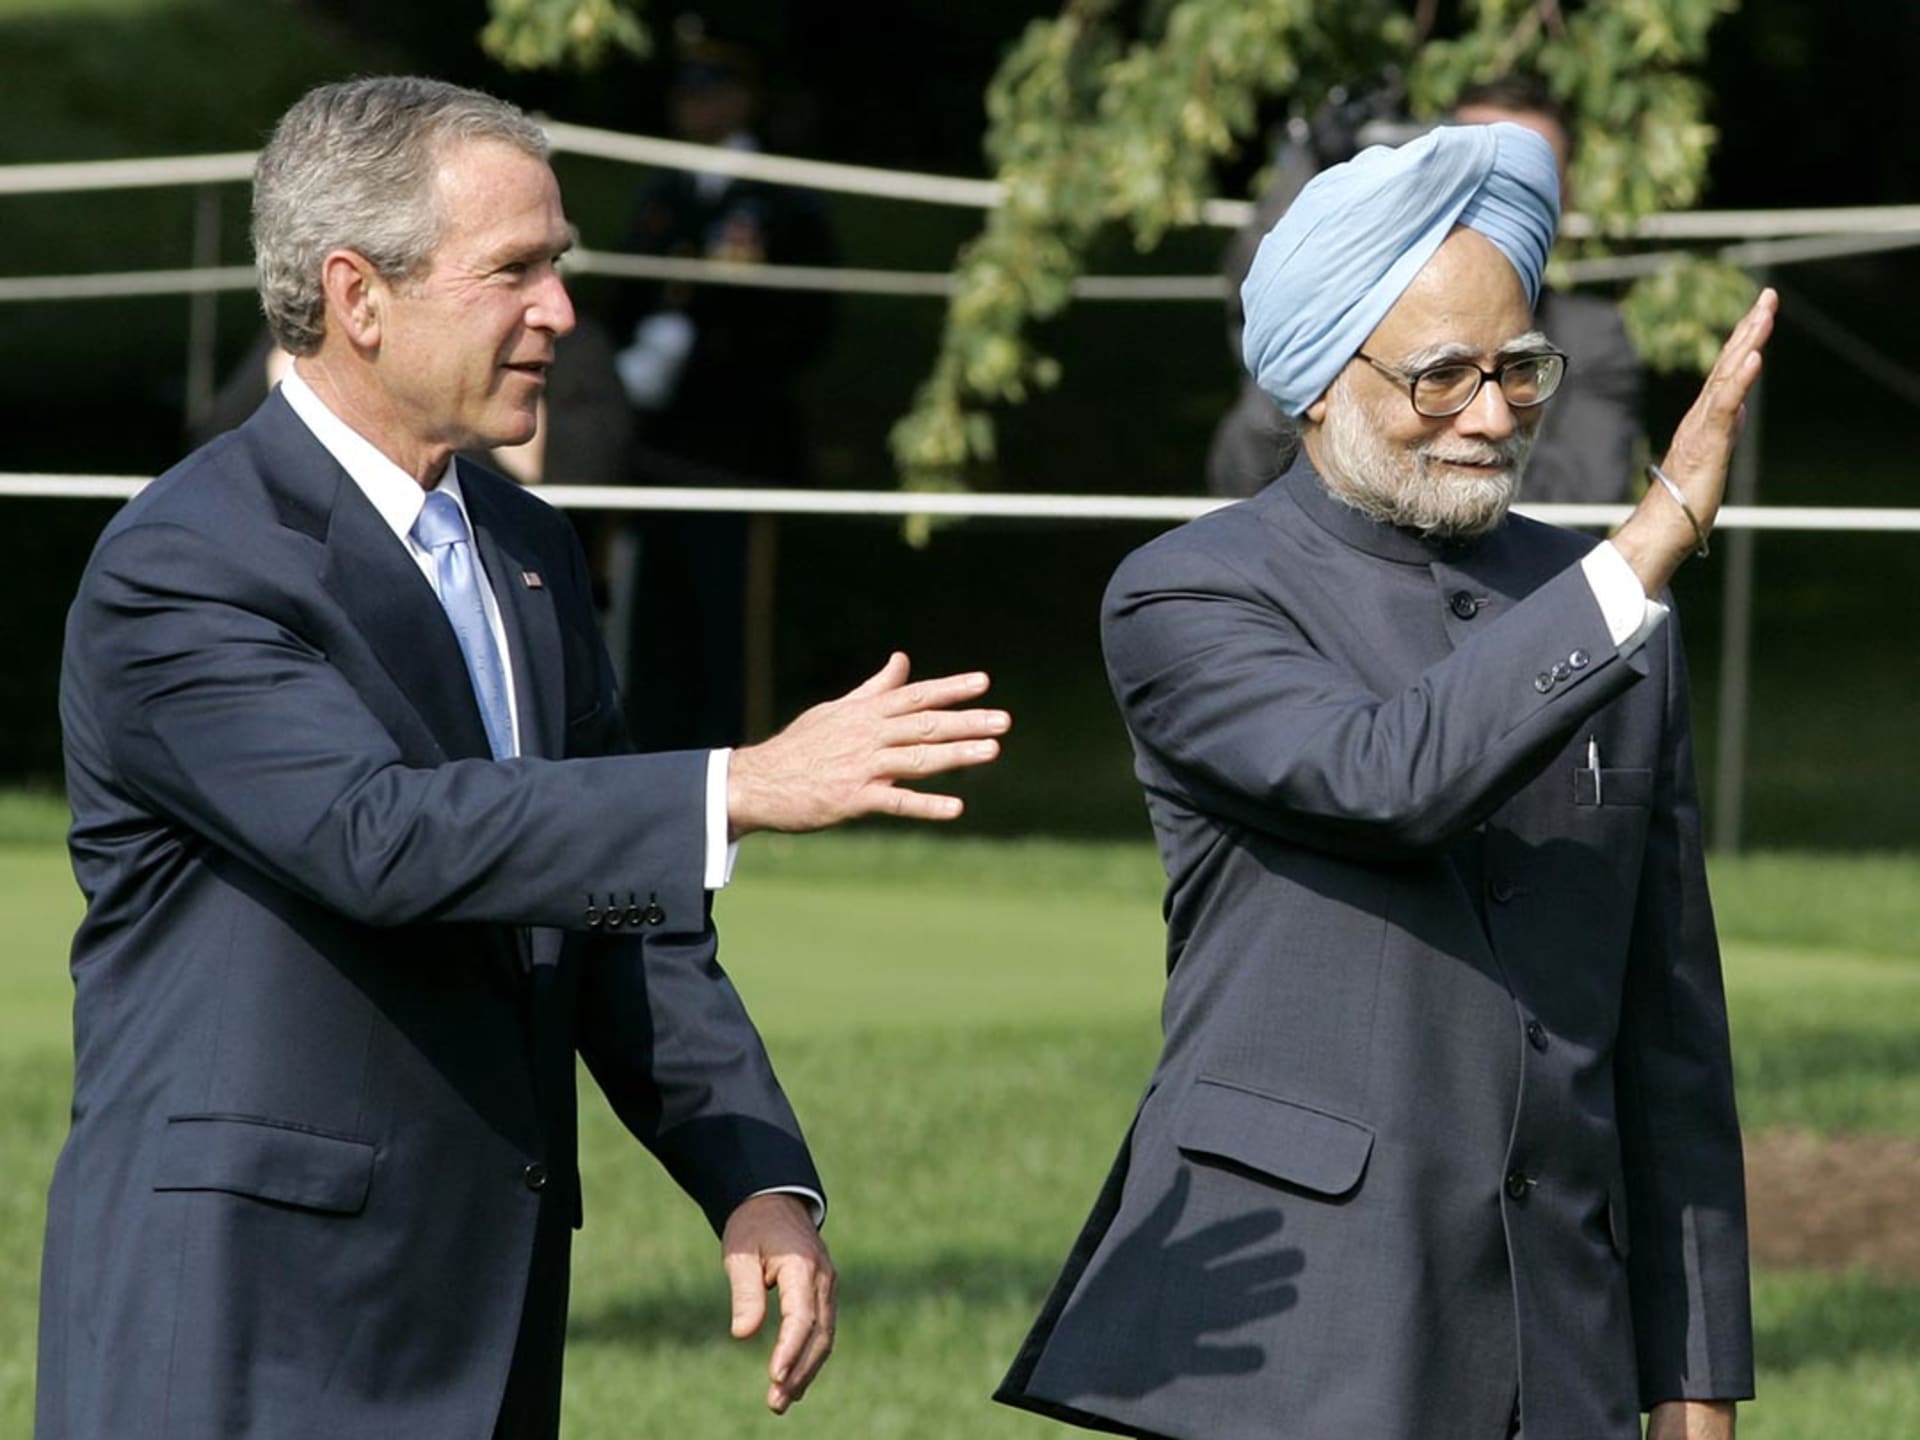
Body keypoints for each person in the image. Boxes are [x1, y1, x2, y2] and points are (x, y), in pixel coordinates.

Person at [37, 76, 1009, 1440]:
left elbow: (619, 914)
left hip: (486, 1316)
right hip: (253, 1329)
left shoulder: (529, 549)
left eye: (559, 268)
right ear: (358, 297)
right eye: (517, 271)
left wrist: (754, 1176)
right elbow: (376, 835)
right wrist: (735, 784)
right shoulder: (184, 564)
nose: (559, 312)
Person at [998, 122, 1766, 1440]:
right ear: (1316, 378)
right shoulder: (1193, 590)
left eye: (1520, 369)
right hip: (1292, 1334)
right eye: (1442, 375)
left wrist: (1691, 1370)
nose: (1492, 413)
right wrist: (1643, 550)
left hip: (1562, 1341)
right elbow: (1385, 777)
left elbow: (1668, 1024)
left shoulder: (1607, 605)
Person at [1207, 75, 1644, 504]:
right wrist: (1308, 168)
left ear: (1562, 196)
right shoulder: (1351, 323)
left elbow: (1582, 501)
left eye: (1528, 175)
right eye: (1465, 166)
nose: (1494, 420)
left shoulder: (1590, 335)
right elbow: (1242, 471)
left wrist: (1439, 473)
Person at [606, 15, 838, 750]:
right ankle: (657, 759)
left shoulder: (781, 198)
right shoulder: (661, 194)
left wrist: (699, 350)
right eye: (685, 86)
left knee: (729, 619)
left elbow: (805, 323)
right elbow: (626, 301)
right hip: (654, 448)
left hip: (736, 446)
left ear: (745, 95)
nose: (694, 101)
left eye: (712, 85)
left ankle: (739, 760)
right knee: (657, 621)